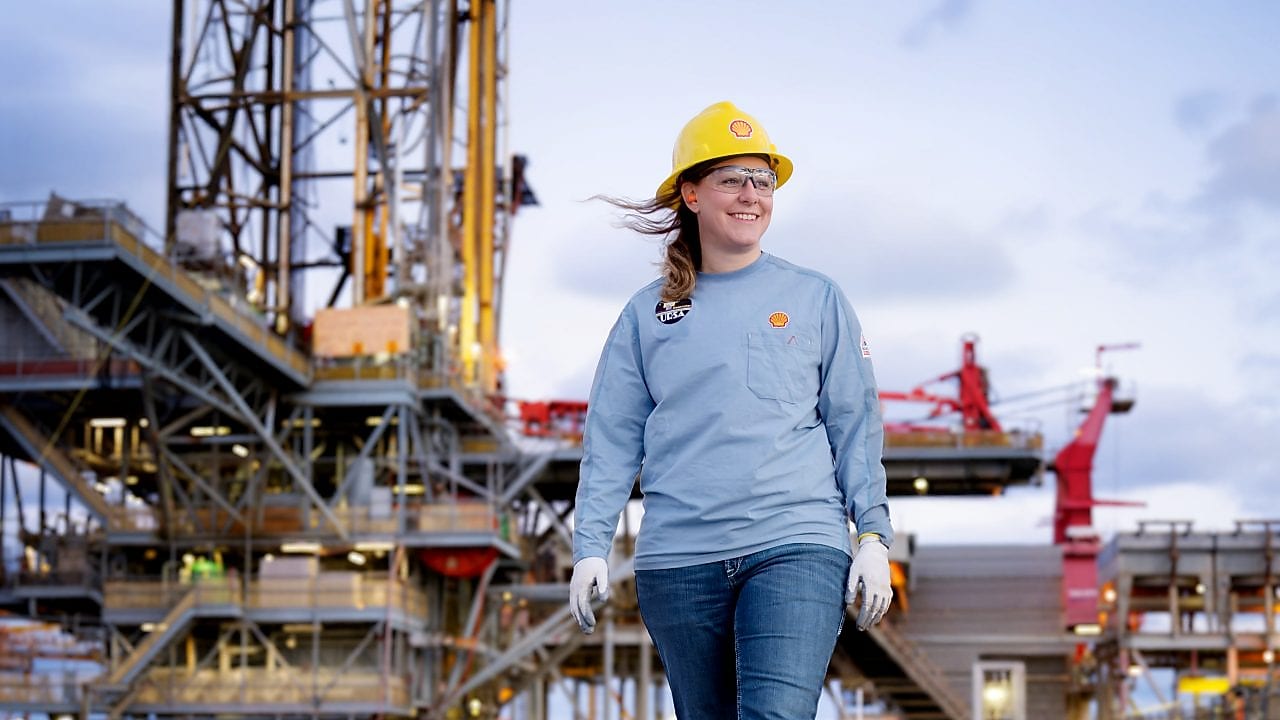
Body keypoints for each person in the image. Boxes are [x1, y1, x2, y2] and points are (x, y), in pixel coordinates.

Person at [568, 101, 894, 720]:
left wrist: (873, 534)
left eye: (763, 181)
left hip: (795, 542)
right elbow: (610, 439)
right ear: (690, 194)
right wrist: (590, 545)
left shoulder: (816, 298)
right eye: (731, 180)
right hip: (678, 563)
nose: (752, 195)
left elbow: (856, 425)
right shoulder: (647, 315)